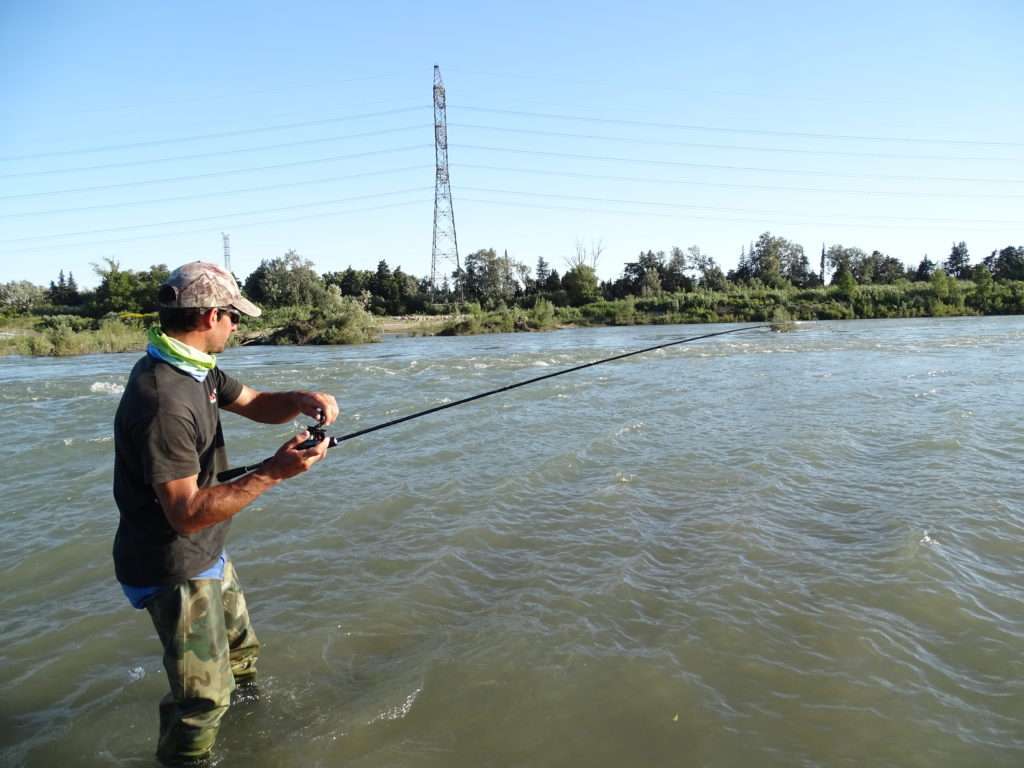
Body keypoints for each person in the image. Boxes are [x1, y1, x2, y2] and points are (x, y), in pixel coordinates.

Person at [112, 261, 338, 766]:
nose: (236, 326)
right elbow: (185, 514)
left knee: (241, 655)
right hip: (173, 564)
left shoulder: (194, 366)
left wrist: (299, 400)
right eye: (233, 316)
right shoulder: (163, 400)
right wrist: (275, 472)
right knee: (203, 700)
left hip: (207, 549)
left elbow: (254, 402)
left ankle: (250, 735)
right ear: (210, 315)